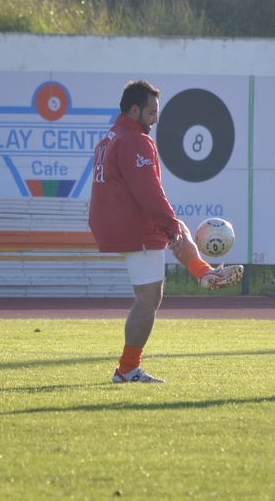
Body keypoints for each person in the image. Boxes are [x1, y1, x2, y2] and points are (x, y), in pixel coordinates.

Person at [89, 79, 244, 384]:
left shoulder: (110, 137)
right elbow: (148, 191)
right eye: (151, 112)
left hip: (115, 225)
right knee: (149, 299)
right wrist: (168, 225)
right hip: (133, 229)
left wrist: (171, 226)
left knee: (175, 232)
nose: (156, 119)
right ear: (134, 110)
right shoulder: (135, 140)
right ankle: (128, 369)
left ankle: (203, 272)